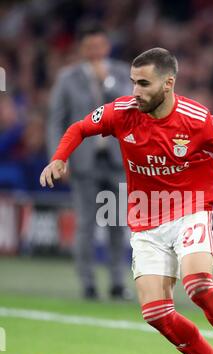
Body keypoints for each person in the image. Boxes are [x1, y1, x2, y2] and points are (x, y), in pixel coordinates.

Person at [40, 48, 213, 354]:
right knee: (156, 314)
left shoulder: (195, 119)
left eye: (143, 83)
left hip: (192, 208)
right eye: (132, 82)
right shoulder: (122, 112)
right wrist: (60, 157)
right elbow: (78, 128)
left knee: (199, 285)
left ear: (168, 84)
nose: (134, 90)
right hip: (146, 219)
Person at [47, 23, 133, 300]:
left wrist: (106, 83)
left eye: (99, 46)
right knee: (85, 223)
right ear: (81, 49)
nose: (95, 52)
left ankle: (118, 282)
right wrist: (58, 158)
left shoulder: (121, 74)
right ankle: (88, 283)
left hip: (118, 160)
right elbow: (55, 121)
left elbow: (129, 109)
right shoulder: (67, 78)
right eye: (90, 47)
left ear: (107, 46)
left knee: (119, 223)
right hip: (84, 161)